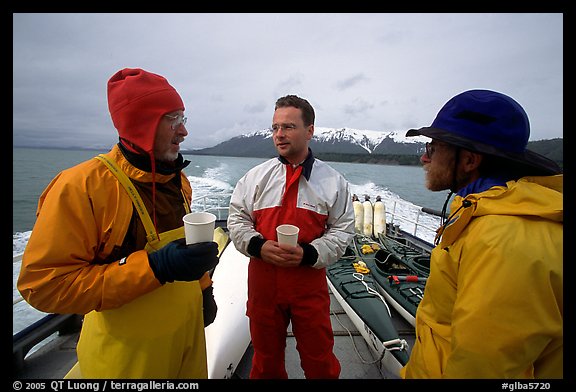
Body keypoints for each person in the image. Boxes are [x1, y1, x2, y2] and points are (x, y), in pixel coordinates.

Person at [17, 68, 221, 378]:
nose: (183, 132)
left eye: (183, 118)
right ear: (141, 125)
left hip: (188, 342)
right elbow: (44, 286)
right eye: (172, 119)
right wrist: (156, 267)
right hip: (126, 359)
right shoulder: (80, 187)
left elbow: (189, 253)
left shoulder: (178, 181)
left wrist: (205, 290)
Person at [401, 89, 563, 378]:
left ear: (469, 161)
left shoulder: (503, 240)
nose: (425, 159)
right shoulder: (481, 213)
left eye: (433, 148)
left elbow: (485, 366)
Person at [227, 95, 355, 379]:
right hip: (263, 286)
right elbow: (237, 219)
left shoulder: (333, 182)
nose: (279, 135)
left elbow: (343, 229)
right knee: (266, 361)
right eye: (275, 128)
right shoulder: (255, 178)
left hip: (308, 285)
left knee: (320, 360)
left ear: (310, 131)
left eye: (288, 127)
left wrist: (310, 253)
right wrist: (257, 245)